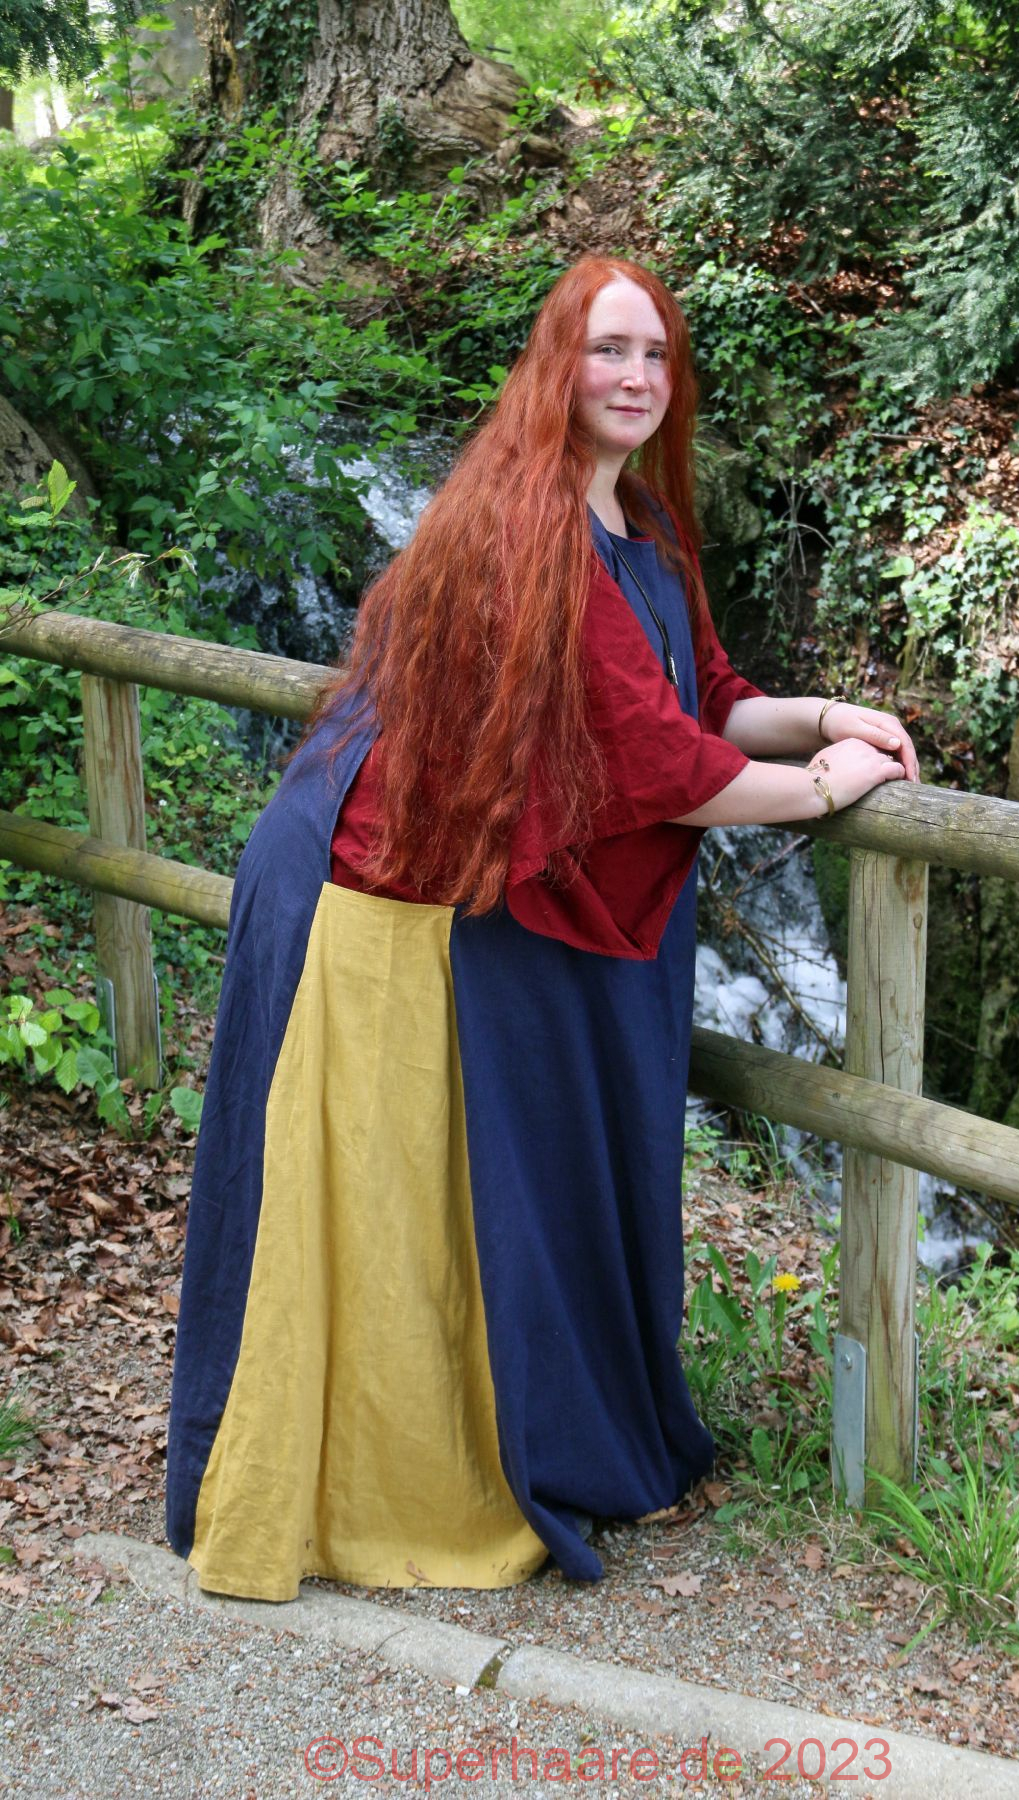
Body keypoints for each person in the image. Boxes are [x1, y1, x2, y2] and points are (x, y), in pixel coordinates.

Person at [165, 256, 918, 1603]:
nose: (636, 378)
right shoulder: (529, 528)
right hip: (377, 886)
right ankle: (368, 1477)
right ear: (555, 365)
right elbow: (662, 766)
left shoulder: (645, 525)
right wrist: (820, 791)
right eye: (607, 350)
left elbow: (705, 700)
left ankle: (556, 1428)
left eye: (657, 354)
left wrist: (822, 719)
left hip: (472, 883)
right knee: (394, 1209)